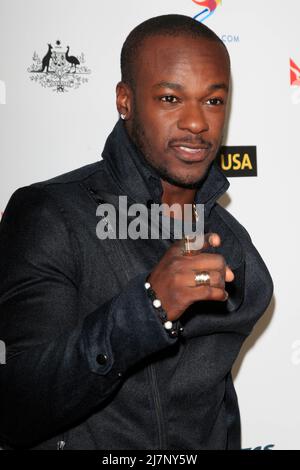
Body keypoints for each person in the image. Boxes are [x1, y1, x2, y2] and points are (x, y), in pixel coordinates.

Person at [0, 14, 273, 450]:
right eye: (170, 98)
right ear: (125, 101)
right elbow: (16, 408)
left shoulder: (231, 241)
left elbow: (213, 405)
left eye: (214, 101)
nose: (197, 123)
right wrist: (149, 307)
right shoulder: (52, 214)